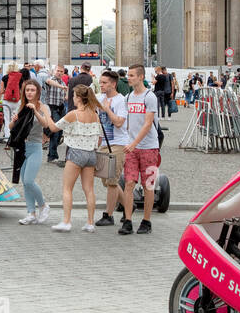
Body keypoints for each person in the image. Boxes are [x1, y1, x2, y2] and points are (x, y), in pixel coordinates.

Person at [36, 83, 104, 232]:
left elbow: (53, 128)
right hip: (91, 154)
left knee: (67, 188)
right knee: (89, 190)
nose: (72, 98)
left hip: (76, 152)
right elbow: (99, 137)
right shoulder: (95, 114)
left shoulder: (74, 114)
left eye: (74, 96)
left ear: (79, 98)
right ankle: (90, 223)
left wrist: (46, 112)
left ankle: (66, 221)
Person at [121, 64, 160, 235]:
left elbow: (148, 123)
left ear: (140, 76)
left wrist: (134, 143)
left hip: (149, 147)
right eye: (128, 75)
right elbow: (126, 121)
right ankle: (128, 220)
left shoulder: (149, 97)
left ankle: (146, 220)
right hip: (132, 148)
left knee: (148, 185)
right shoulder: (128, 97)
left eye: (131, 75)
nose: (128, 78)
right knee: (129, 183)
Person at [8, 79, 51, 225]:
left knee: (28, 180)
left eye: (32, 90)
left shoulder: (43, 107)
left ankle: (43, 205)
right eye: (27, 90)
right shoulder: (21, 107)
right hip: (22, 147)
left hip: (35, 146)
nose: (30, 93)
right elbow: (10, 127)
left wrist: (35, 110)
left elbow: (46, 124)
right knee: (25, 183)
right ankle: (31, 212)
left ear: (38, 92)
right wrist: (14, 120)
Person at [93, 69, 131, 229]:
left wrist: (107, 109)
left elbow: (119, 123)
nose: (101, 85)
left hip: (118, 144)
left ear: (113, 84)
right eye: (100, 82)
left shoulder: (120, 101)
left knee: (112, 181)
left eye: (104, 83)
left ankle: (108, 215)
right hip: (103, 144)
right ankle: (129, 205)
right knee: (107, 181)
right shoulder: (99, 98)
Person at [0, 62, 23, 138]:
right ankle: (16, 136)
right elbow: (21, 90)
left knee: (7, 119)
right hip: (16, 101)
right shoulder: (20, 77)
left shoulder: (5, 77)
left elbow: (1, 91)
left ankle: (7, 138)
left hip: (7, 101)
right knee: (16, 119)